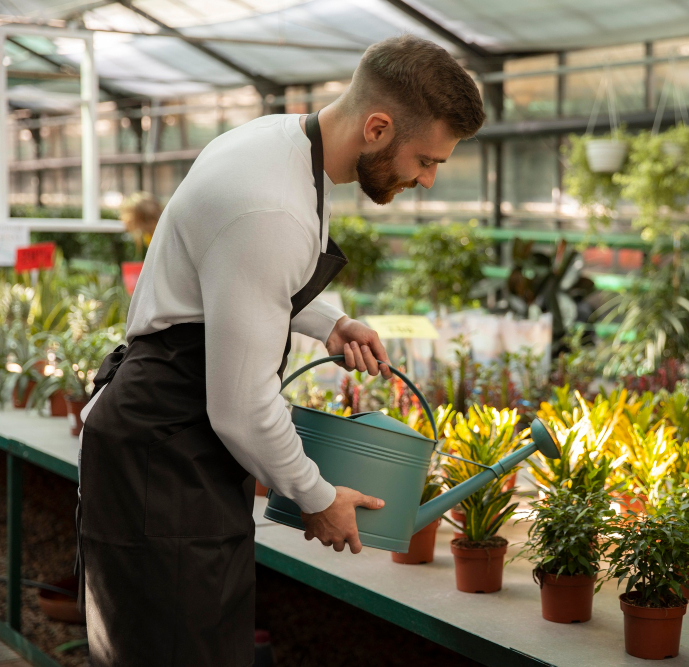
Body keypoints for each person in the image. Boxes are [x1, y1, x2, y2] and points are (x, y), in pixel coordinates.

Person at [75, 35, 485, 666]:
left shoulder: (278, 142)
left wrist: (328, 322)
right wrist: (317, 496)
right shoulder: (274, 206)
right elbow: (241, 407)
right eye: (427, 160)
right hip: (163, 454)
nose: (426, 180)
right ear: (378, 127)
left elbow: (233, 279)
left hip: (178, 442)